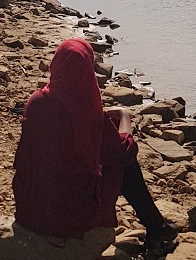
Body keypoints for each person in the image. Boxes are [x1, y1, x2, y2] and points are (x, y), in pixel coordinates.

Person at [12, 37, 177, 246]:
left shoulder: (36, 101)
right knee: (126, 164)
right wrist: (125, 116)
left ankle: (157, 226)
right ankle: (157, 228)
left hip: (31, 205)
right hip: (64, 215)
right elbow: (124, 151)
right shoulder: (87, 115)